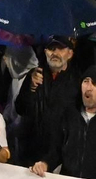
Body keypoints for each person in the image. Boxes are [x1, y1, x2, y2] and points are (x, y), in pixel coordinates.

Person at [13, 37, 82, 167]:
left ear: (70, 54)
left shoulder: (77, 82)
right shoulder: (34, 75)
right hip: (28, 151)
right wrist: (31, 88)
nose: (55, 53)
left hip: (59, 155)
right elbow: (20, 108)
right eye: (51, 49)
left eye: (60, 49)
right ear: (45, 52)